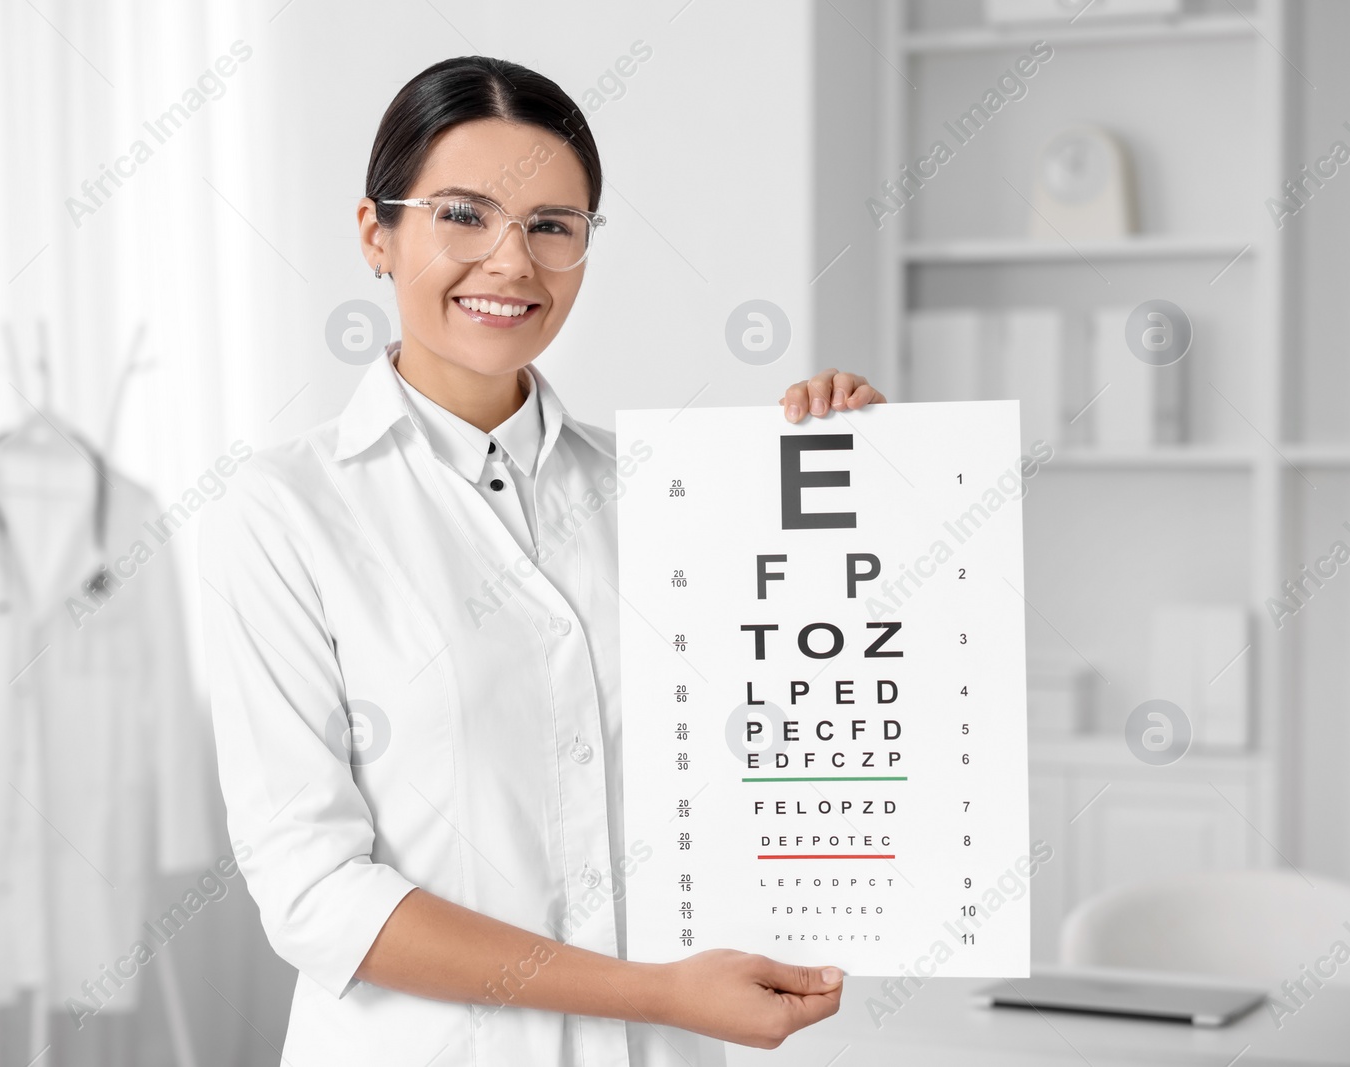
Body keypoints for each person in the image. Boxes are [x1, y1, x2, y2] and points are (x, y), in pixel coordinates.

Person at [198, 55, 886, 1066]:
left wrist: (858, 490)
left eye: (551, 226)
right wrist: (652, 992)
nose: (511, 264)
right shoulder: (283, 510)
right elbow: (316, 893)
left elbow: (781, 741)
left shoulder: (670, 494)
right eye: (464, 216)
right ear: (376, 234)